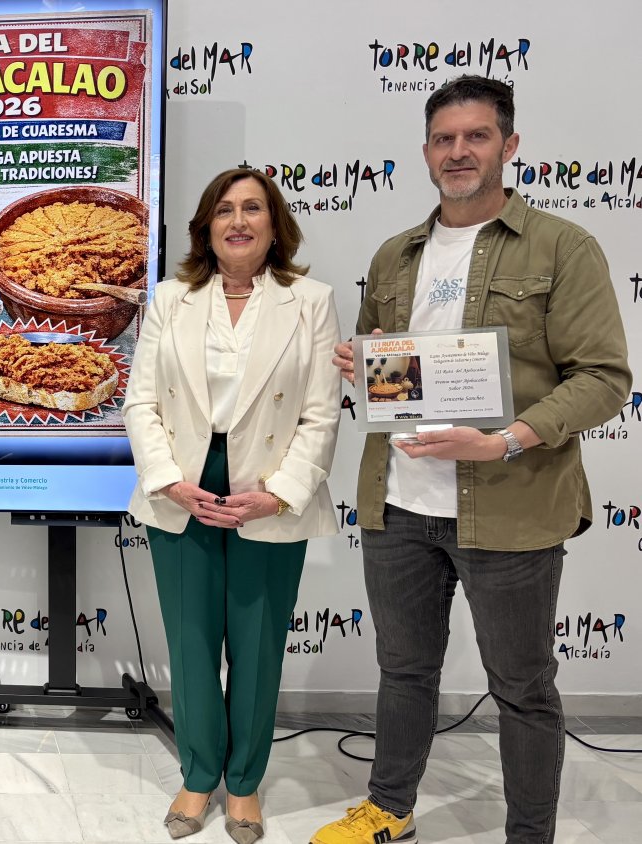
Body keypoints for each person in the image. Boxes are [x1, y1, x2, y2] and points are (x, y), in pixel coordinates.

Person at [310, 76, 630, 844]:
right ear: (426, 152)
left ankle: (529, 834)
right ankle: (390, 810)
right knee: (404, 671)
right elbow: (393, 372)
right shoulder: (396, 255)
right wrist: (366, 367)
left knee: (522, 687)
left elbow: (603, 378)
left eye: (476, 136)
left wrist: (503, 440)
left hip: (513, 505)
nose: (459, 151)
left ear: (509, 145)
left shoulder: (563, 247)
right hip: (400, 504)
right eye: (444, 139)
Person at [124, 167, 342, 844]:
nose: (238, 221)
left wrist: (279, 494)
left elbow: (321, 413)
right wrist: (168, 480)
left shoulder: (312, 301)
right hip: (184, 485)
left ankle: (243, 784)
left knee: (258, 642)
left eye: (253, 208)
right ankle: (197, 775)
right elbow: (140, 402)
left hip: (269, 489)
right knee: (190, 642)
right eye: (224, 210)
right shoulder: (170, 299)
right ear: (206, 228)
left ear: (275, 225)